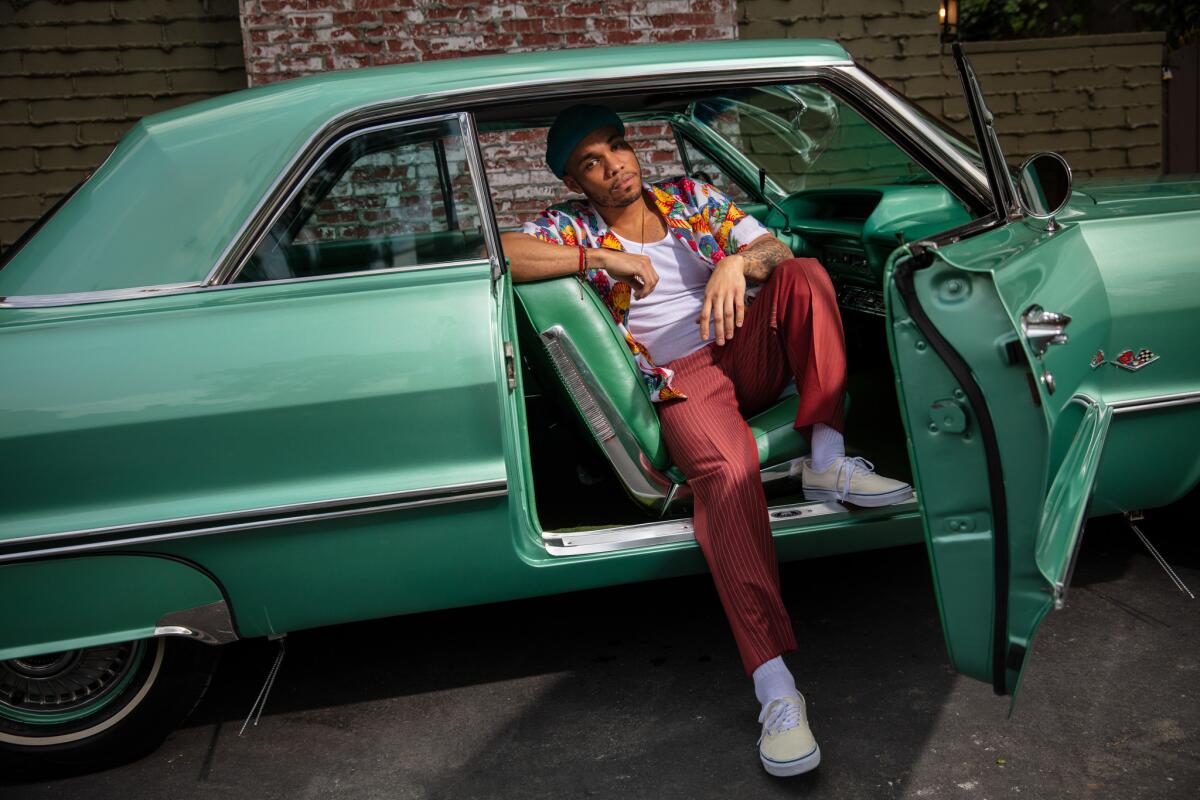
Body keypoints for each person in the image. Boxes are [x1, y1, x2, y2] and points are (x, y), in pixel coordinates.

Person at [500, 104, 913, 777]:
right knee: (727, 474)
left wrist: (736, 266)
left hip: (743, 344)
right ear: (576, 183)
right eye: (591, 165)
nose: (614, 168)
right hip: (680, 380)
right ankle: (776, 689)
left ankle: (827, 462)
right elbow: (507, 254)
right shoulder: (568, 225)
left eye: (617, 148)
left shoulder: (689, 197)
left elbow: (778, 249)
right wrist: (601, 256)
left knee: (805, 275)